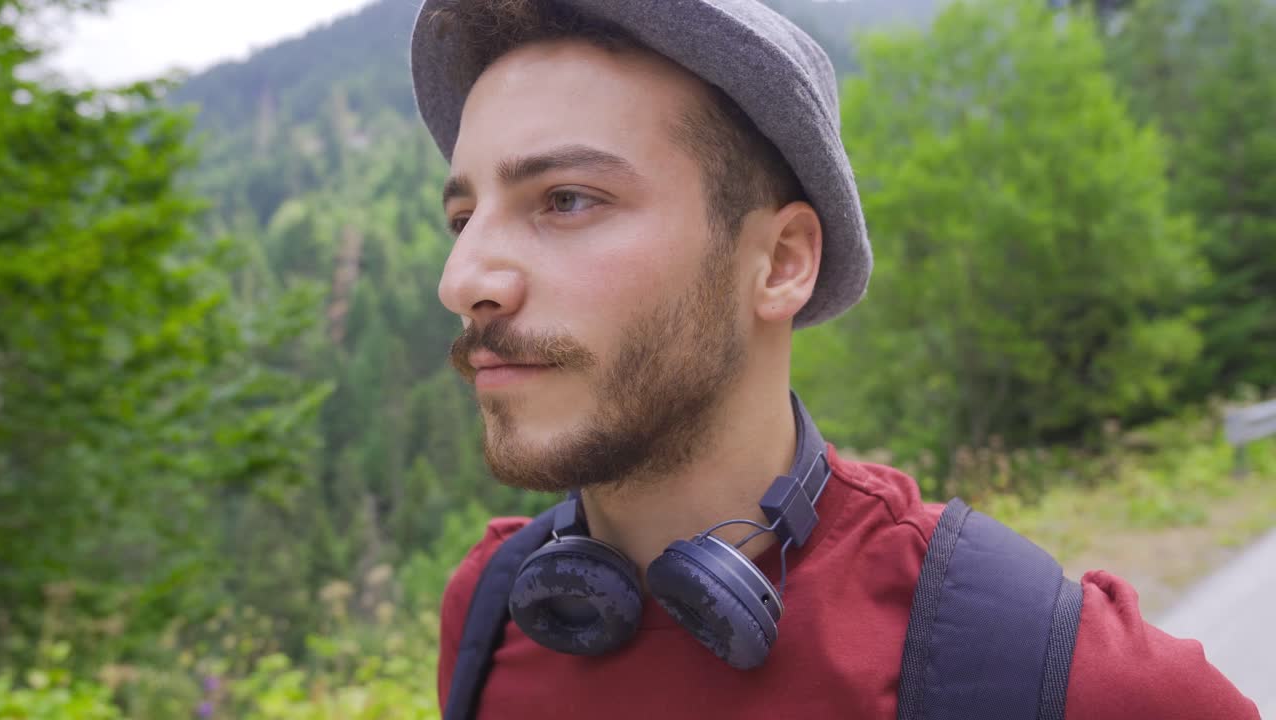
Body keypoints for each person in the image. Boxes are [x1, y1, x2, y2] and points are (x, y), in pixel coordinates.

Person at [408, 0, 1261, 717]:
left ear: (780, 262)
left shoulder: (1052, 669)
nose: (463, 279)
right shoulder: (491, 612)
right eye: (463, 219)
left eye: (565, 199)